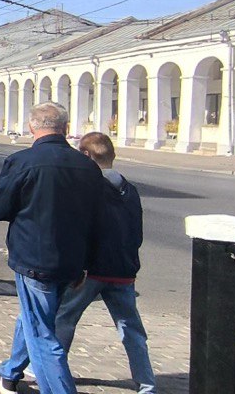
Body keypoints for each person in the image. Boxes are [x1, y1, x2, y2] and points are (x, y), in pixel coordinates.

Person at [0, 101, 103, 394]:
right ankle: (10, 372)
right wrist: (87, 262)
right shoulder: (87, 166)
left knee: (42, 334)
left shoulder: (22, 161)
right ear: (65, 128)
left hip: (34, 259)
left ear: (31, 127)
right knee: (34, 317)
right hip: (73, 260)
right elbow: (98, 219)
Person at [54, 132, 156, 394]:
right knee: (131, 329)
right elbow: (137, 231)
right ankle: (146, 384)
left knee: (64, 319)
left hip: (92, 270)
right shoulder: (129, 189)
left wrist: (76, 266)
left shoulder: (87, 187)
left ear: (86, 156)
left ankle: (52, 373)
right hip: (123, 270)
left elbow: (79, 230)